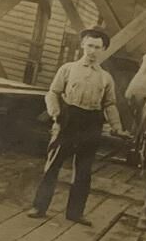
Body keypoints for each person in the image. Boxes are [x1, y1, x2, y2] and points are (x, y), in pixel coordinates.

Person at [31, 26, 125, 222]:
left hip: (92, 122)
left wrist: (117, 128)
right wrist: (55, 113)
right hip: (68, 119)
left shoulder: (106, 78)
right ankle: (39, 207)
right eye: (89, 46)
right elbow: (53, 93)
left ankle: (75, 213)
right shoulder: (67, 69)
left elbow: (110, 104)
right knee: (53, 165)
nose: (92, 51)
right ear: (83, 45)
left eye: (97, 47)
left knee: (83, 170)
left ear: (103, 49)